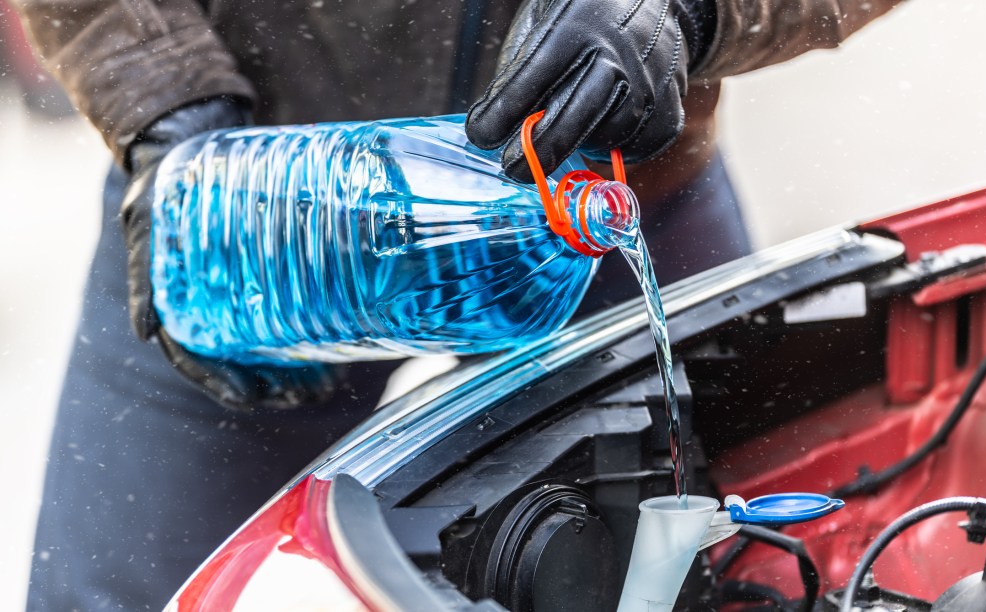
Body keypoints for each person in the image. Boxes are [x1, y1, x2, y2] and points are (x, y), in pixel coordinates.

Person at [10, 0, 901, 609]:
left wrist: (691, 8)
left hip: (611, 196)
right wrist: (160, 99)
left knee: (738, 568)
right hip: (269, 215)